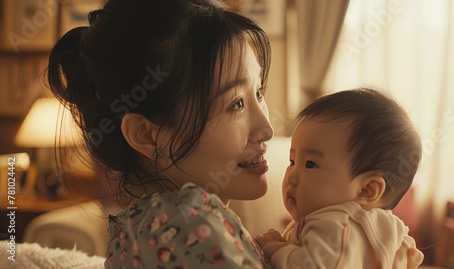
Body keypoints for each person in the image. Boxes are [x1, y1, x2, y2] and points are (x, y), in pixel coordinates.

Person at [47, 0, 274, 268]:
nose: (266, 130)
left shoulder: (155, 225)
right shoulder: (188, 228)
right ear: (146, 135)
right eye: (236, 103)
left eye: (258, 92)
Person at [255, 88, 424, 269]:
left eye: (310, 164)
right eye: (292, 161)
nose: (291, 176)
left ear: (367, 190)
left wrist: (276, 249)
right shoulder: (378, 229)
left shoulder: (338, 224)